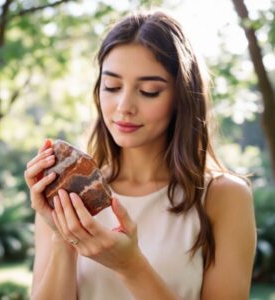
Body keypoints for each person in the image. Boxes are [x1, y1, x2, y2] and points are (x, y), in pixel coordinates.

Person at [24, 10, 257, 300]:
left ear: (181, 98)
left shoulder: (223, 197)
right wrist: (63, 236)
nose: (124, 106)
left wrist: (131, 267)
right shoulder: (68, 193)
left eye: (148, 91)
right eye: (112, 86)